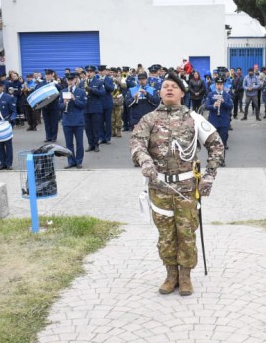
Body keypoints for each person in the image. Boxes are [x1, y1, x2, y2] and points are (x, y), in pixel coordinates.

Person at [130, 71, 224, 297]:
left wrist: (210, 175)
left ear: (183, 92)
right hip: (160, 188)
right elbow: (137, 143)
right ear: (160, 92)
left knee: (186, 232)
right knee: (166, 234)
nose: (169, 89)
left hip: (187, 189)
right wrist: (144, 161)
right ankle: (170, 274)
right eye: (165, 86)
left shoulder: (194, 118)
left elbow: (216, 145)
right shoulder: (149, 120)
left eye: (174, 86)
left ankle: (185, 276)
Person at [61, 73, 87, 169]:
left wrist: (74, 99)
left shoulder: (81, 92)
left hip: (78, 121)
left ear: (75, 80)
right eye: (68, 80)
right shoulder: (63, 91)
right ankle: (71, 161)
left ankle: (79, 161)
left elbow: (83, 105)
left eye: (72, 80)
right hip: (67, 121)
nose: (70, 82)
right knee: (69, 143)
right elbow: (59, 107)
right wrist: (64, 104)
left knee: (79, 143)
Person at [206, 78, 233, 165]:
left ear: (223, 85)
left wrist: (224, 102)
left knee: (223, 142)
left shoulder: (227, 95)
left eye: (221, 84)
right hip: (213, 121)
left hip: (223, 122)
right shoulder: (211, 94)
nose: (219, 86)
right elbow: (206, 106)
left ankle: (222, 159)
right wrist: (213, 106)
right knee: (212, 142)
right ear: (215, 85)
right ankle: (213, 160)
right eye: (217, 84)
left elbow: (230, 106)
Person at [84, 65, 104, 152]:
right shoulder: (82, 83)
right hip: (85, 108)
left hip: (95, 108)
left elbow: (102, 93)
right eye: (87, 72)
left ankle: (96, 144)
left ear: (94, 73)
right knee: (88, 128)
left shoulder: (98, 82)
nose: (89, 73)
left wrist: (91, 89)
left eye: (91, 72)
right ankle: (90, 144)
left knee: (96, 127)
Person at [40, 69, 62, 143]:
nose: (47, 76)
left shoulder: (55, 83)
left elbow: (60, 90)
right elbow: (37, 90)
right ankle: (48, 137)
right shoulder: (42, 83)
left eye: (49, 75)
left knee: (54, 122)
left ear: (52, 75)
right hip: (45, 106)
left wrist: (56, 84)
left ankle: (53, 137)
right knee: (47, 122)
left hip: (54, 105)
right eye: (46, 75)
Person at [98, 65, 116, 144]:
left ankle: (108, 137)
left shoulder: (109, 79)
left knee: (108, 121)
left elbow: (111, 89)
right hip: (99, 103)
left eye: (103, 70)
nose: (101, 72)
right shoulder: (96, 79)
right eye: (100, 71)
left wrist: (104, 83)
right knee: (100, 121)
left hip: (107, 102)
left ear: (105, 71)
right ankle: (101, 137)